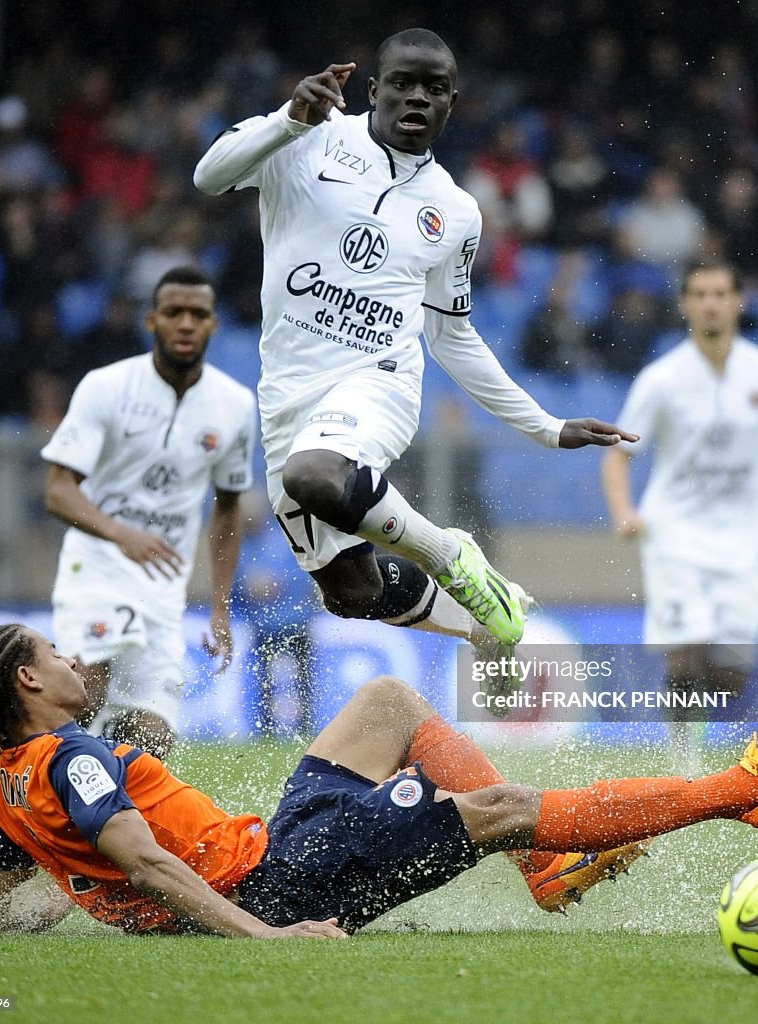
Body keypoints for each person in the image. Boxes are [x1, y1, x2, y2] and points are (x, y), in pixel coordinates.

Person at [193, 28, 636, 668]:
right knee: (351, 592)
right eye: (403, 83)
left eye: (435, 89)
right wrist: (289, 118)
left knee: (314, 474)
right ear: (374, 91)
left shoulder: (454, 211)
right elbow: (209, 176)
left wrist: (545, 425)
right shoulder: (307, 135)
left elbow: (450, 334)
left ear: (452, 105)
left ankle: (448, 553)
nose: (417, 98)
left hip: (378, 381)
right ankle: (486, 623)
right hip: (287, 393)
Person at [0, 623, 758, 937]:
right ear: (28, 683)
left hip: (268, 850)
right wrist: (261, 938)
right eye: (51, 654)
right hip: (274, 887)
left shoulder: (2, 775)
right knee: (502, 808)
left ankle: (545, 870)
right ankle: (747, 792)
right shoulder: (74, 756)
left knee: (388, 700)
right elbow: (145, 863)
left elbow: (9, 914)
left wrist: (90, 894)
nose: (70, 659)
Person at [0, 266, 257, 867]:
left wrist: (219, 604)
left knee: (150, 734)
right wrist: (122, 534)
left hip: (164, 586)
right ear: (153, 321)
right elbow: (58, 490)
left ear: (214, 323)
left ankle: (93, 842)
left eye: (198, 314)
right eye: (174, 313)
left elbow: (228, 508)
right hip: (100, 564)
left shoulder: (233, 404)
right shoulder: (107, 387)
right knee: (79, 691)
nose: (186, 324)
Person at [601, 259, 758, 771]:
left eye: (720, 293)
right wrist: (625, 512)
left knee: (733, 673)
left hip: (743, 543)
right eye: (700, 294)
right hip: (673, 533)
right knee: (685, 647)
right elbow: (618, 454)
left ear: (738, 301)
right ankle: (685, 767)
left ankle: (706, 741)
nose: (711, 303)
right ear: (685, 305)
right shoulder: (661, 379)